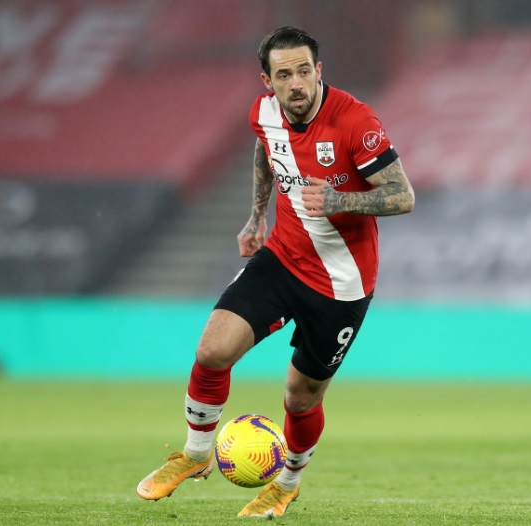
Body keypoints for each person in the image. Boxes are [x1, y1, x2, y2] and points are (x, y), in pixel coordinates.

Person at [137, 25, 415, 518]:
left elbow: (402, 195)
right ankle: (196, 455)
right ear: (267, 81)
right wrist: (255, 216)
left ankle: (287, 483)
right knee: (212, 350)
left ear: (319, 70)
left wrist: (339, 200)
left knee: (301, 397)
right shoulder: (263, 113)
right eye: (284, 75)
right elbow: (267, 148)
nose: (297, 84)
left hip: (342, 284)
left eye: (304, 71)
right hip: (283, 258)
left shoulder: (356, 122)